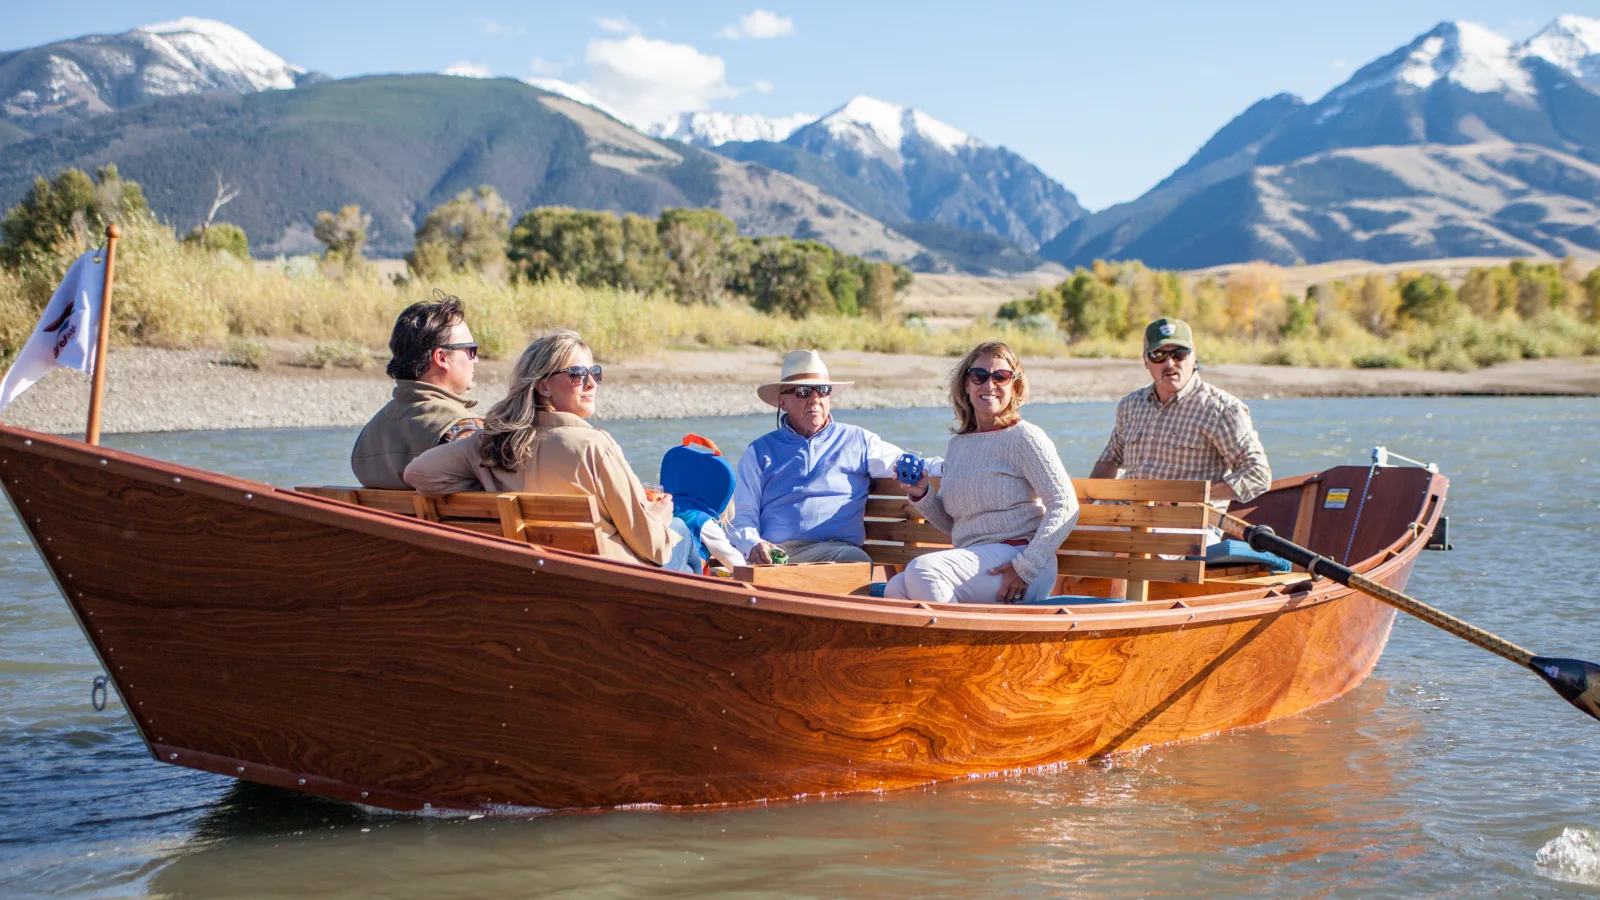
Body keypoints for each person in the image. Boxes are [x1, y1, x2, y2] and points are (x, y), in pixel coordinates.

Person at [403, 328, 691, 570]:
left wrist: (489, 488)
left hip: (537, 574)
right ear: (544, 387)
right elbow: (652, 547)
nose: (591, 383)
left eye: (595, 372)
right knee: (683, 532)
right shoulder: (594, 446)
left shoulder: (492, 444)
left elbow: (419, 473)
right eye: (577, 374)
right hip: (609, 579)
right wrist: (658, 515)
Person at [886, 342, 1078, 604]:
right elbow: (956, 525)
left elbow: (1066, 504)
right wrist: (921, 493)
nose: (989, 385)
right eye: (979, 376)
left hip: (1021, 563)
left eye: (1001, 377)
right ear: (967, 384)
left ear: (1015, 386)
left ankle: (960, 645)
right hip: (977, 562)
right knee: (896, 587)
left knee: (924, 571)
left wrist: (1026, 567)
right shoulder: (959, 445)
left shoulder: (1025, 437)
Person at [731, 349, 935, 566]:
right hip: (777, 555)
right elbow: (742, 515)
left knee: (853, 562)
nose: (815, 399)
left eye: (823, 390)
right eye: (803, 391)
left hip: (837, 553)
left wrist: (957, 465)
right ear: (783, 401)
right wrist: (753, 544)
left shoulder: (858, 441)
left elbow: (908, 464)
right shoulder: (759, 451)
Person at [1089, 317, 1271, 508]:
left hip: (1187, 527)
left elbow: (1257, 475)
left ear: (1193, 357)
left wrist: (1185, 498)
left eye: (1179, 354)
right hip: (1125, 519)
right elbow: (1110, 460)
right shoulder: (1130, 405)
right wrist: (1086, 499)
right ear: (1145, 360)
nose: (1169, 363)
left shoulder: (1223, 410)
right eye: (1158, 355)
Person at [351, 291, 483, 489]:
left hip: (383, 520)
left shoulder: (369, 433)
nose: (476, 360)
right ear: (441, 358)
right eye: (470, 351)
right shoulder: (463, 429)